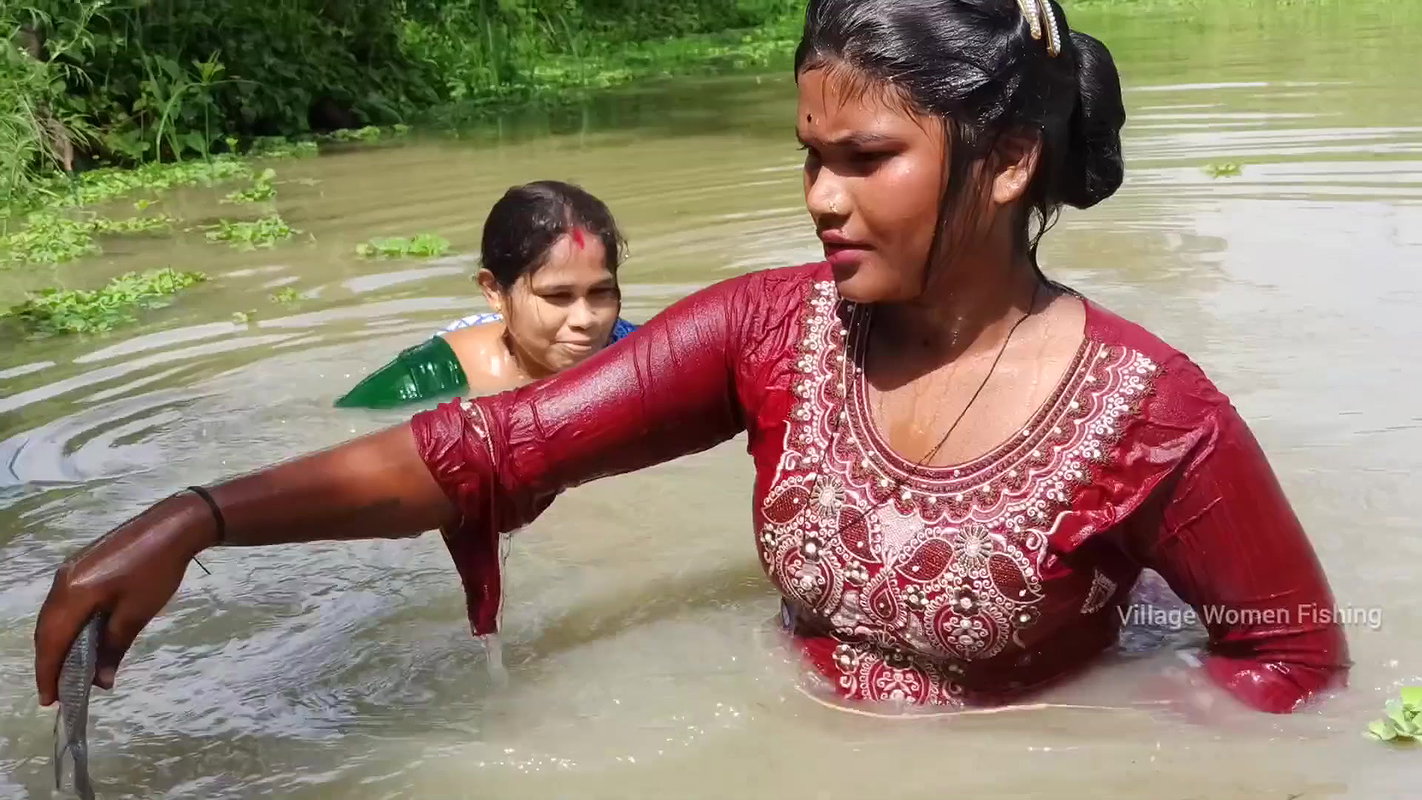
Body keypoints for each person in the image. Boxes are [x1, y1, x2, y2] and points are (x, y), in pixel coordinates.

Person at [34, 0, 1349, 717]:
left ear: (1005, 164)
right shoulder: (770, 332)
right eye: (809, 157)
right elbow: (497, 445)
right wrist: (197, 518)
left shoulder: (1153, 415)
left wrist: (1122, 753)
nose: (820, 199)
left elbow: (1292, 655)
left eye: (865, 159)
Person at [334, 180, 639, 409]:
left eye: (601, 292)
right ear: (493, 291)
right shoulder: (431, 377)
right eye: (557, 296)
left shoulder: (637, 351)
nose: (585, 320)